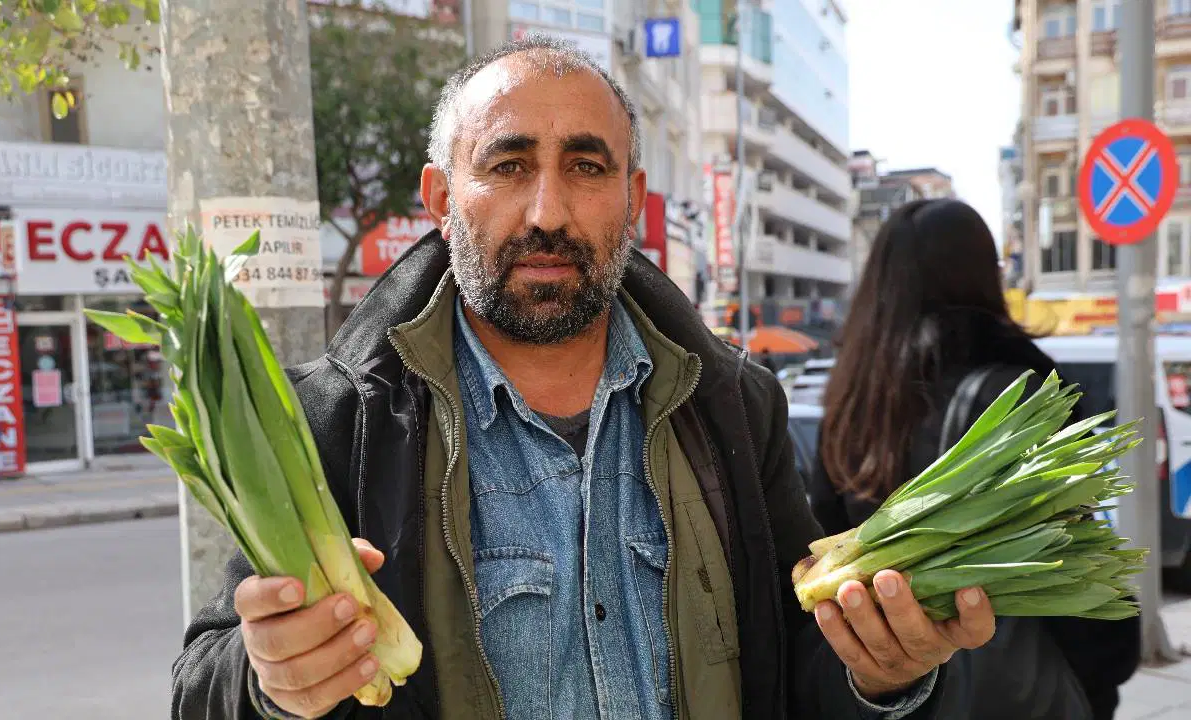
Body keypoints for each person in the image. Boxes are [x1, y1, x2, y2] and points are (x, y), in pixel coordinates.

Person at [172, 39, 997, 720]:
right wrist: (268, 682)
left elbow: (799, 670)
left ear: (632, 197)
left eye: (587, 167)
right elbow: (198, 688)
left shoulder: (735, 408)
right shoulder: (341, 421)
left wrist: (884, 675)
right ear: (440, 197)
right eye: (507, 165)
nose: (547, 213)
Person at [807, 199, 1141, 720]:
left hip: (893, 696)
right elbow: (1080, 568)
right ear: (984, 276)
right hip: (1015, 695)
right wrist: (1104, 678)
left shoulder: (852, 400)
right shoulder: (1022, 397)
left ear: (880, 287)